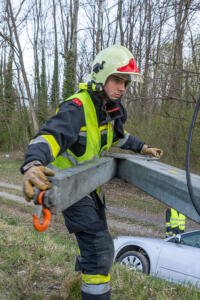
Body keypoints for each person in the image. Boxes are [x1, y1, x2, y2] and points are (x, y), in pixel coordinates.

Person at [21, 45, 163, 300]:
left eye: (126, 82)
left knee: (94, 247)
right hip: (72, 189)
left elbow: (118, 138)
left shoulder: (108, 110)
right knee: (100, 253)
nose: (122, 87)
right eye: (117, 80)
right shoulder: (77, 107)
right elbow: (50, 136)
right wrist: (33, 164)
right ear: (101, 76)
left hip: (92, 190)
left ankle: (78, 285)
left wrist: (142, 147)